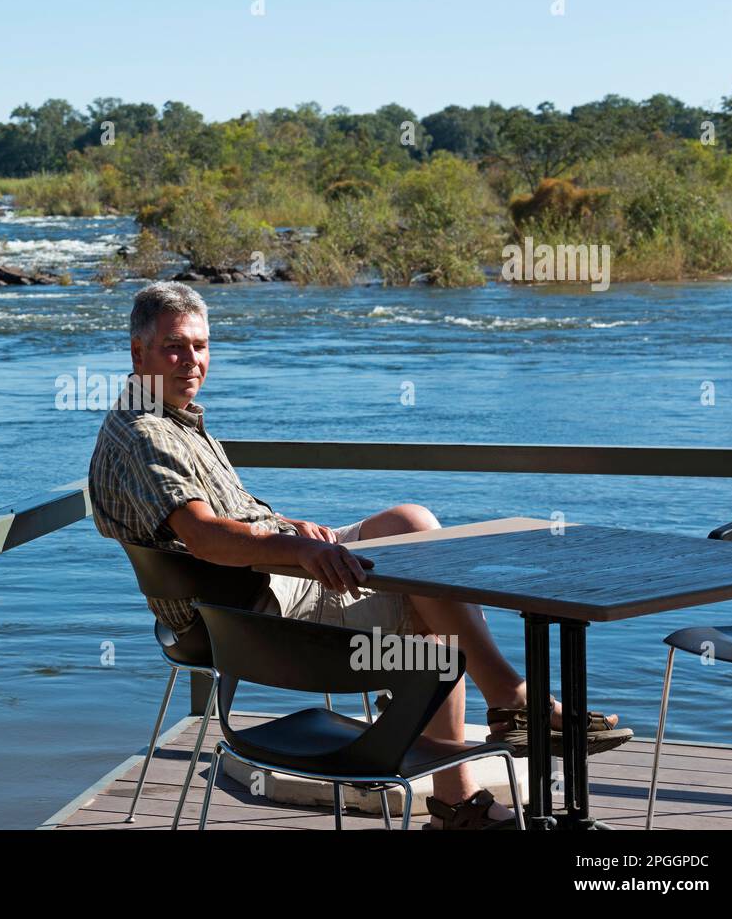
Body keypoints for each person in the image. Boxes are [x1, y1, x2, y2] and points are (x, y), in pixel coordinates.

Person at [89, 281, 632, 829]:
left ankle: (502, 716)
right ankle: (483, 758)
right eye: (176, 347)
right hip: (249, 613)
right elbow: (204, 536)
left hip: (251, 580)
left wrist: (285, 526)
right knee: (433, 598)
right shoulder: (146, 434)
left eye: (201, 346)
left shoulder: (161, 416)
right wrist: (295, 549)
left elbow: (219, 518)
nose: (192, 361)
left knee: (411, 524)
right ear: (139, 353)